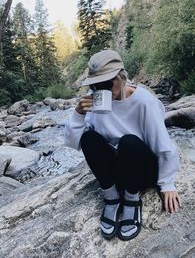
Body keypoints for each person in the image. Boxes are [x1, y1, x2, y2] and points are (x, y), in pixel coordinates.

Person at [64, 49, 181, 241]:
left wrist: (168, 183)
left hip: (142, 170)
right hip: (118, 171)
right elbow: (73, 142)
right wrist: (78, 114)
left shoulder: (144, 102)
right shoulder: (94, 101)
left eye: (105, 83)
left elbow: (163, 145)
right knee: (89, 138)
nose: (99, 89)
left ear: (121, 77)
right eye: (95, 85)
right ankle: (111, 197)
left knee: (129, 142)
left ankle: (132, 200)